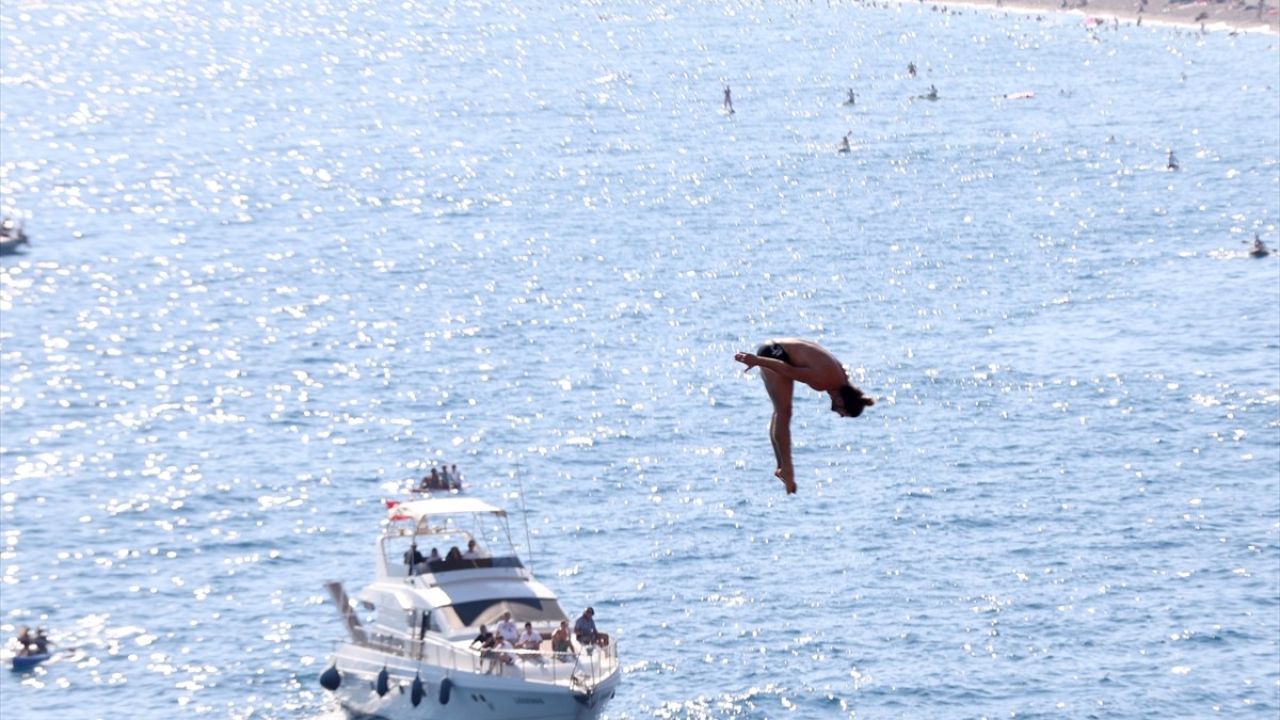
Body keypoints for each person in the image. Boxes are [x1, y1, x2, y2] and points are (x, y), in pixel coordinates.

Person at [733, 338, 875, 494]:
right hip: (774, 353)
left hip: (780, 350)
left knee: (782, 411)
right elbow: (789, 371)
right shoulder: (825, 381)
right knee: (783, 412)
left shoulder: (841, 379)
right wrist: (757, 360)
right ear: (842, 400)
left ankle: (782, 467)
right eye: (843, 412)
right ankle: (786, 469)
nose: (840, 415)